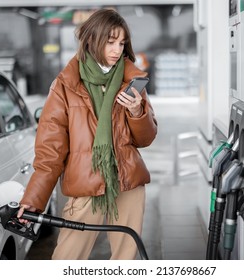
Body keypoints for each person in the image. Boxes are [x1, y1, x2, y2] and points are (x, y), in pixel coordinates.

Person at [18, 8, 157, 260]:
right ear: (92, 39)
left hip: (127, 182)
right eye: (110, 41)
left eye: (122, 43)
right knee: (67, 259)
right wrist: (33, 199)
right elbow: (51, 150)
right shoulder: (65, 86)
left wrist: (137, 111)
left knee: (125, 261)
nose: (117, 50)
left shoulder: (132, 80)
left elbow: (145, 139)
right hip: (86, 183)